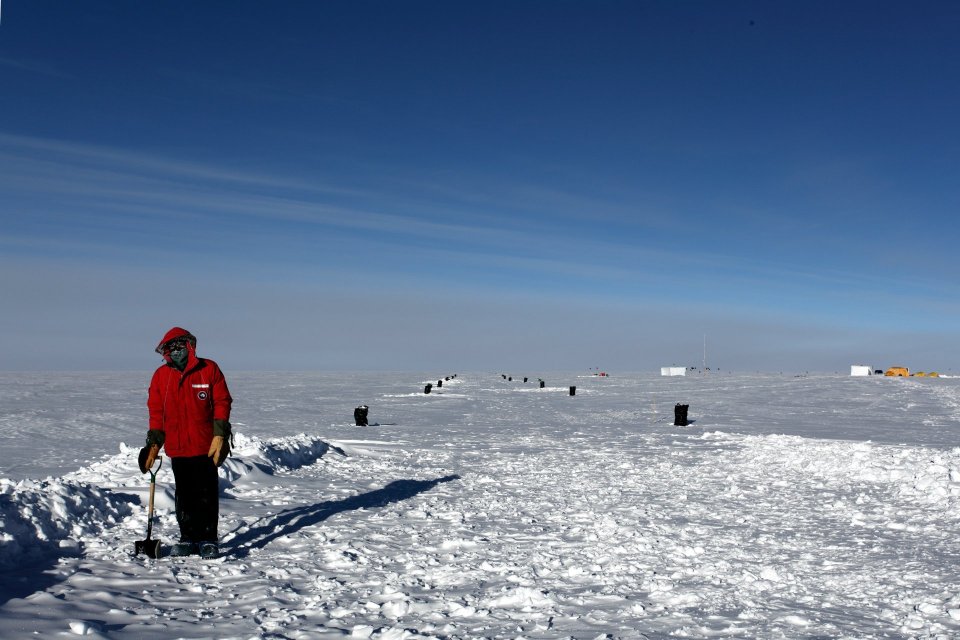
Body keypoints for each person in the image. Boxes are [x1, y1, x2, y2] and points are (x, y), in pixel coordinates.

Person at [139, 327, 233, 559]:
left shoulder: (208, 369)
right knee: (185, 495)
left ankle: (209, 539)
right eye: (171, 347)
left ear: (189, 346)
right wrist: (154, 444)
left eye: (180, 346)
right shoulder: (161, 375)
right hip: (178, 447)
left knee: (207, 494)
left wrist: (220, 434)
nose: (175, 351)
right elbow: (156, 411)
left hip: (206, 446)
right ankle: (188, 538)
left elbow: (222, 401)